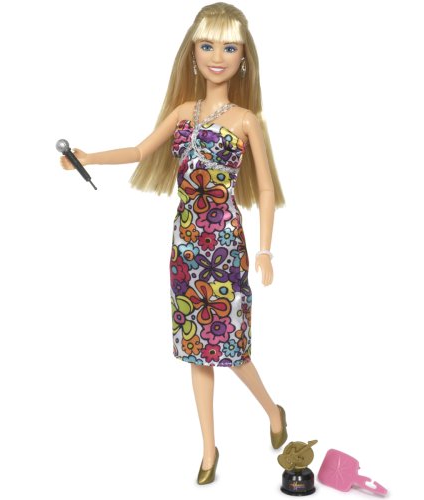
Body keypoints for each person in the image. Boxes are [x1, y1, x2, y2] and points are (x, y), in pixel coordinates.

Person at [60, 1, 287, 485]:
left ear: (244, 57)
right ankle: (209, 448)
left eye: (229, 48)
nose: (217, 57)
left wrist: (266, 250)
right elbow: (141, 150)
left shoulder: (247, 120)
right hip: (185, 246)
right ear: (193, 53)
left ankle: (272, 410)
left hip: (224, 246)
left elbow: (266, 189)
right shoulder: (184, 112)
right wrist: (89, 157)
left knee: (231, 346)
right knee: (196, 348)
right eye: (208, 46)